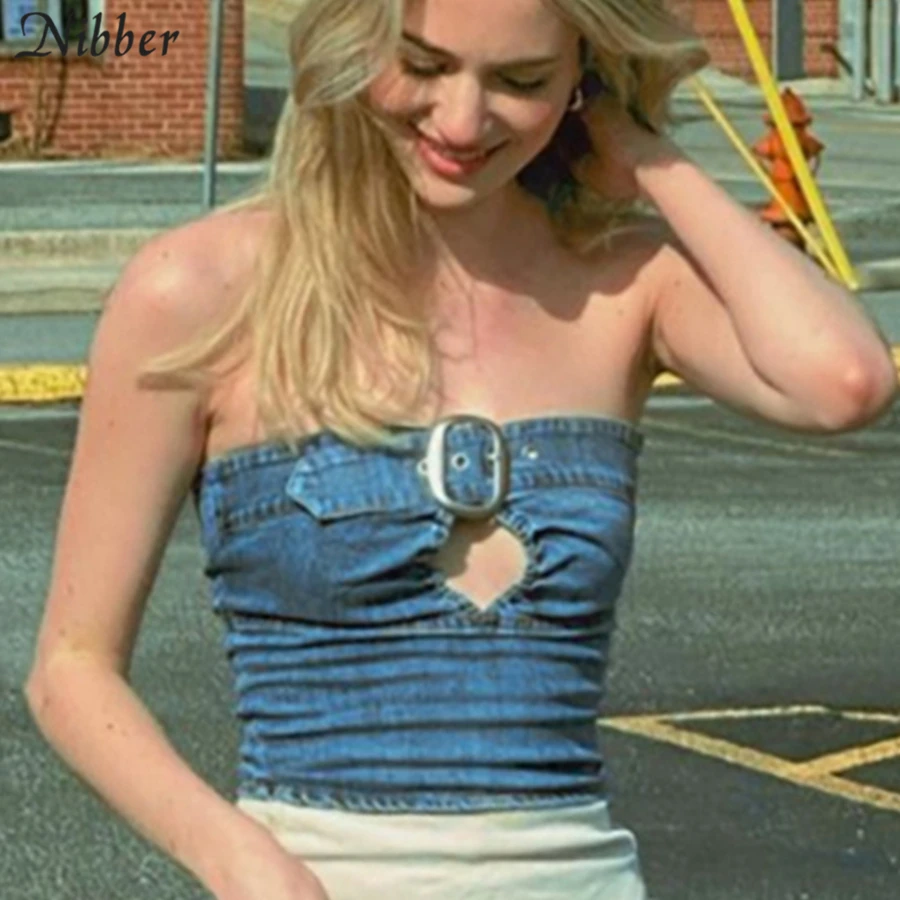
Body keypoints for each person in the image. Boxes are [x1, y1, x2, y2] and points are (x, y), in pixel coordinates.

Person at [23, 0, 896, 898]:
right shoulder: (200, 291)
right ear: (353, 41)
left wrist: (645, 157)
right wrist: (236, 857)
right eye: (424, 65)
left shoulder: (624, 280)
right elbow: (72, 669)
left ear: (584, 76)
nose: (463, 120)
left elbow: (844, 381)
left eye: (521, 80)